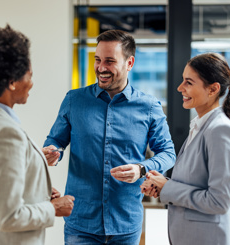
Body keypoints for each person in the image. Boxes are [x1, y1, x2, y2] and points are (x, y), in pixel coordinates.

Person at [43, 29, 176, 244]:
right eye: (97, 60)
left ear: (129, 63)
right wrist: (52, 151)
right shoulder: (74, 100)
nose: (101, 68)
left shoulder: (149, 107)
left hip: (125, 222)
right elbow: (55, 141)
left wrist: (141, 168)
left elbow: (168, 152)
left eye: (110, 61)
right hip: (81, 223)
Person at [0, 25, 75, 245]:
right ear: (12, 82)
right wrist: (53, 208)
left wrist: (36, 168)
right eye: (29, 76)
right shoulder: (5, 133)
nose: (32, 83)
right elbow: (8, 217)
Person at [141, 52, 230, 245]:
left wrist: (169, 188)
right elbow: (196, 183)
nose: (180, 88)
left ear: (213, 89)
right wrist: (162, 185)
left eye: (189, 82)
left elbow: (218, 201)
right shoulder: (201, 126)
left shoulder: (221, 130)